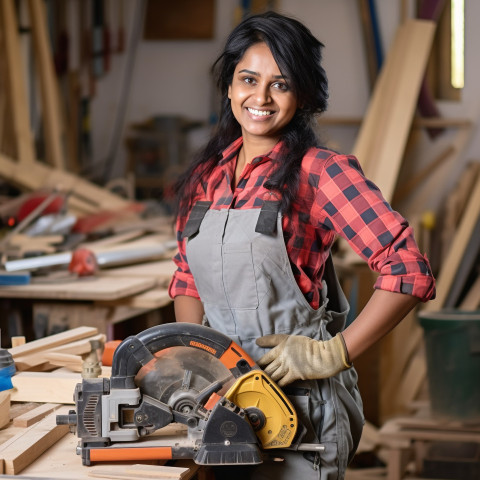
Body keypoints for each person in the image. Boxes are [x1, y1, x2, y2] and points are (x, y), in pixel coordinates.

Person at [168, 11, 435, 480]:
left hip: (301, 408)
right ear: (229, 87)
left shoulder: (321, 172)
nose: (261, 97)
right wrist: (199, 363)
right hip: (223, 404)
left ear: (304, 95)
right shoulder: (207, 179)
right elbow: (186, 278)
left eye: (281, 84)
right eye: (248, 79)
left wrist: (333, 353)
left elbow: (408, 270)